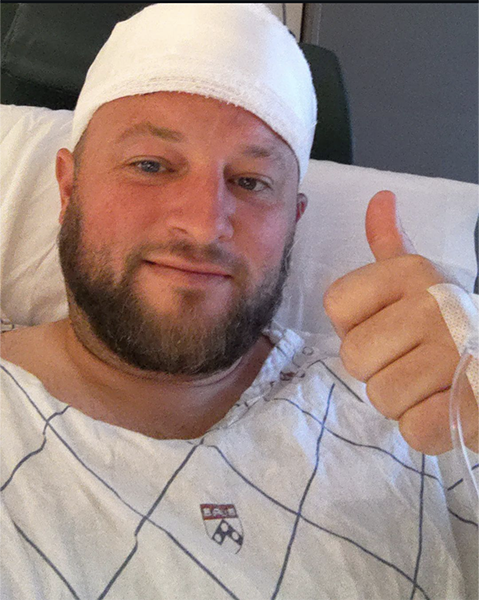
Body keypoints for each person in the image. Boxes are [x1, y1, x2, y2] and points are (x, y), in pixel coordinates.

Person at [0, 3, 477, 598]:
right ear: (68, 188)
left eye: (251, 182)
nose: (203, 226)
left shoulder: (423, 406)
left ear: (293, 221)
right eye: (150, 165)